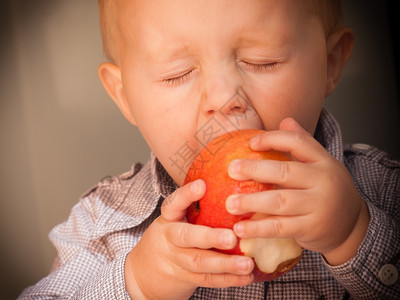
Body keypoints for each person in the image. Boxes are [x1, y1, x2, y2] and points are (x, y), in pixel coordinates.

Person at [18, 0, 400, 299]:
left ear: (330, 63)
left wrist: (354, 234)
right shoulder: (100, 227)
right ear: (125, 97)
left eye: (261, 60)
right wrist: (136, 283)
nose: (223, 98)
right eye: (177, 73)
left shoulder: (383, 191)